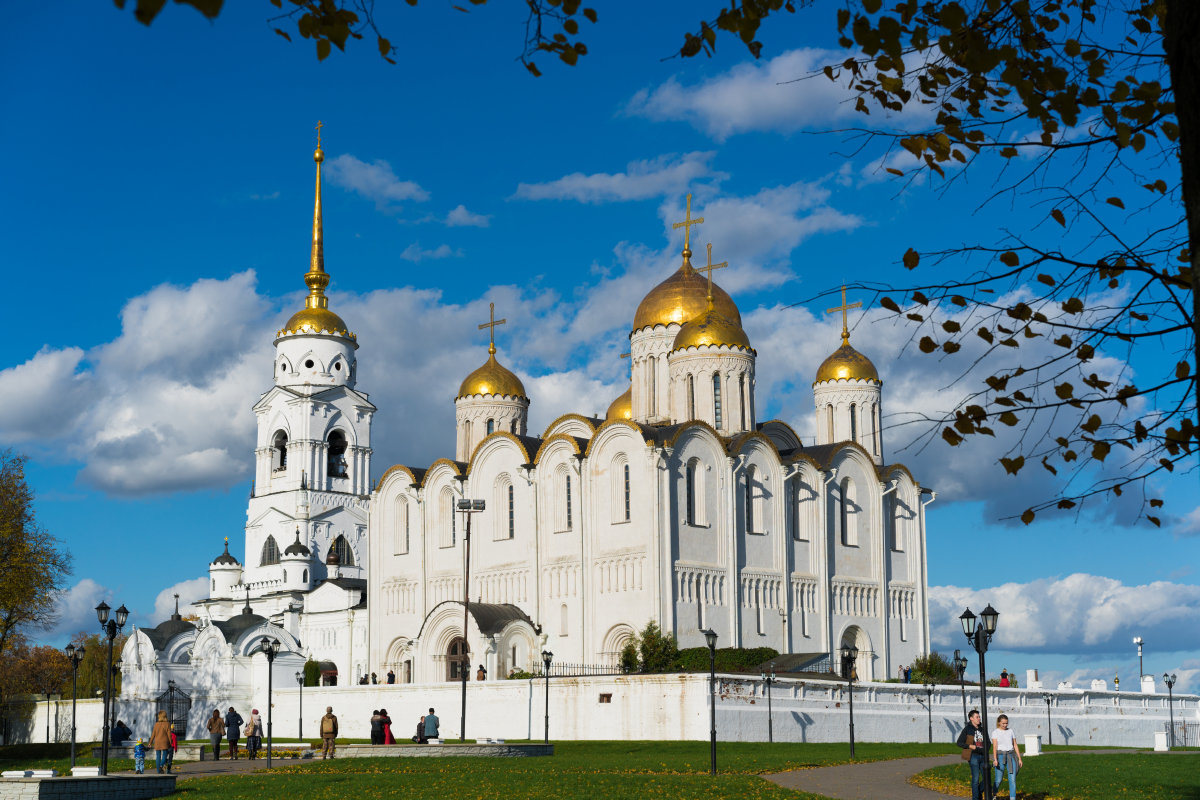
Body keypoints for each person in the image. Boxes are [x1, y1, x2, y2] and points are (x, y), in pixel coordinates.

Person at [955, 709, 990, 800]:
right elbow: (959, 742)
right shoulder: (967, 729)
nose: (979, 718)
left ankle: (978, 793)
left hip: (983, 756)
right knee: (975, 779)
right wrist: (970, 746)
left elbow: (988, 743)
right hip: (973, 756)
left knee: (987, 778)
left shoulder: (983, 729)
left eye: (979, 717)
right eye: (977, 717)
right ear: (971, 718)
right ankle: (976, 798)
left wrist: (985, 750)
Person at [992, 714, 1023, 800]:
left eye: (1006, 723)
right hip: (1000, 756)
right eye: (1003, 723)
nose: (1005, 725)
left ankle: (1012, 798)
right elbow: (994, 747)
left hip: (1011, 756)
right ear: (999, 723)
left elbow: (1015, 745)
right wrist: (995, 759)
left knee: (1012, 779)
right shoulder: (995, 732)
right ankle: (994, 794)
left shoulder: (1011, 731)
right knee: (998, 779)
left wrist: (1019, 759)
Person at [149, 710, 173, 775]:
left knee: (158, 756)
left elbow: (153, 734)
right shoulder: (167, 724)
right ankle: (161, 765)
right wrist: (171, 742)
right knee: (165, 754)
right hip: (165, 742)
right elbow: (169, 735)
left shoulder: (156, 724)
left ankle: (158, 771)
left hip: (157, 742)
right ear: (165, 716)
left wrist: (150, 743)